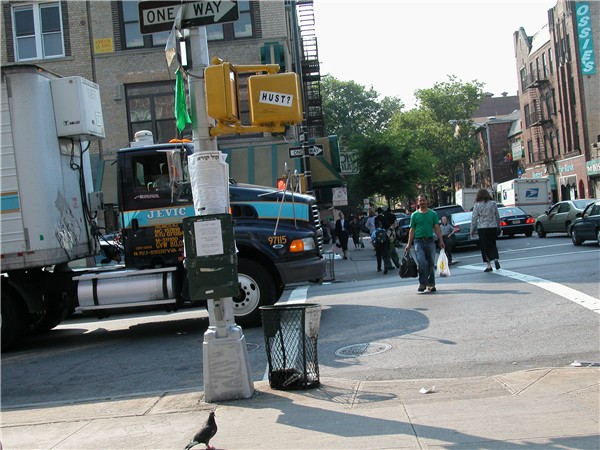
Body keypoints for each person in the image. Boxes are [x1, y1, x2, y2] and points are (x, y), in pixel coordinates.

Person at [405, 193, 445, 292]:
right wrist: (408, 244)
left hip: (430, 241)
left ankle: (431, 284)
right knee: (422, 262)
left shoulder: (433, 214)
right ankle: (422, 283)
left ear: (427, 201)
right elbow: (412, 230)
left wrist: (441, 241)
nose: (422, 202)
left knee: (431, 263)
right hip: (418, 242)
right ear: (418, 202)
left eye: (424, 200)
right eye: (420, 200)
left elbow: (437, 228)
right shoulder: (414, 215)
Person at [470, 188, 501, 272]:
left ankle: (489, 265)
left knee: (484, 247)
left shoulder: (477, 205)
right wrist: (498, 226)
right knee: (492, 244)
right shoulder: (493, 204)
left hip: (482, 228)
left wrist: (472, 230)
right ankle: (495, 259)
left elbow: (474, 218)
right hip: (492, 227)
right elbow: (497, 216)